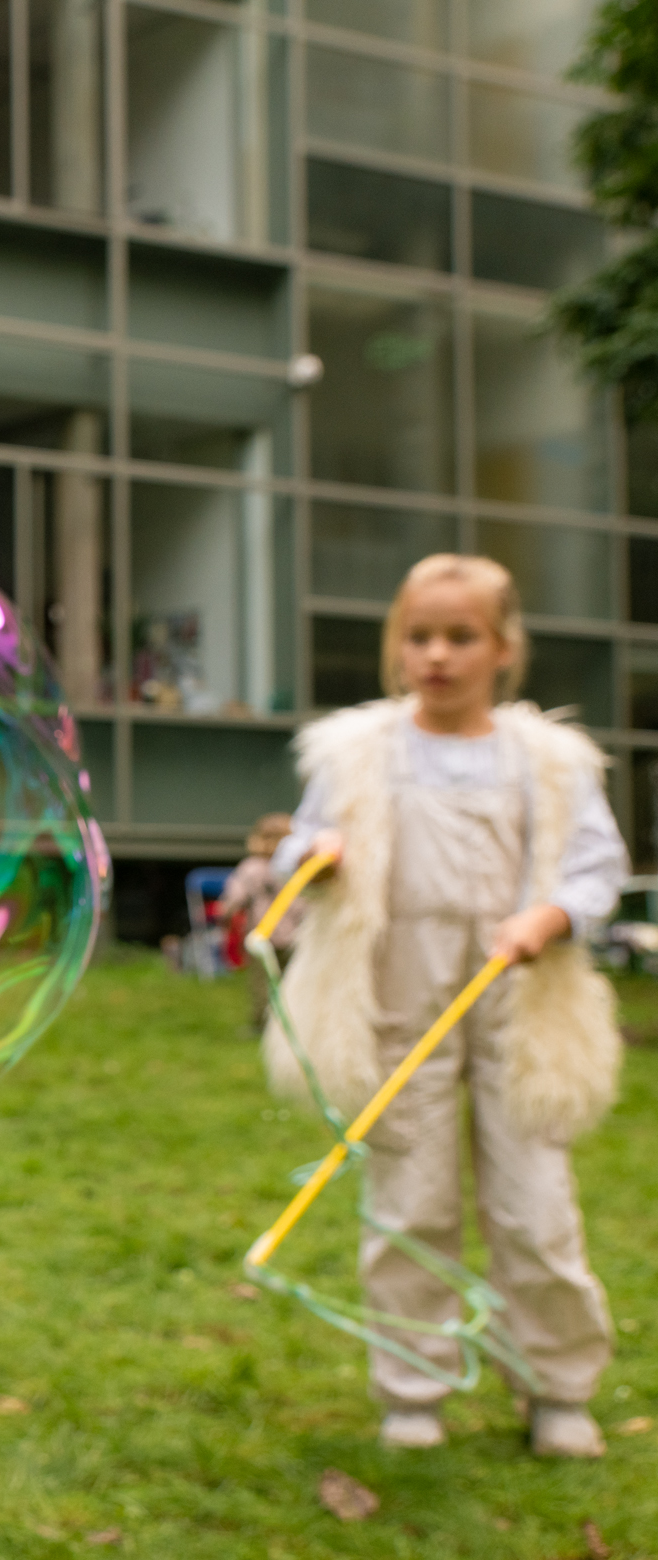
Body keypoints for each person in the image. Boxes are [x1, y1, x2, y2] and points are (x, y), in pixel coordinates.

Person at [266, 553, 625, 1459]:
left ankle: (557, 1387)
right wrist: (318, 859)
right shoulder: (359, 753)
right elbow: (299, 844)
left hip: (519, 1001)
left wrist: (550, 916)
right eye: (419, 636)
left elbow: (595, 866)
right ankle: (412, 1386)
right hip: (399, 1000)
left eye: (461, 637)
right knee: (408, 1203)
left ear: (503, 648)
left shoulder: (549, 762)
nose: (437, 655)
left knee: (536, 1209)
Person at [218, 811, 294, 1033]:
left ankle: (262, 1025)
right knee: (292, 980)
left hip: (262, 936)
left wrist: (225, 913)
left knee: (261, 983)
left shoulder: (251, 867)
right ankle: (290, 1023)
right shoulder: (294, 867)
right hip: (294, 935)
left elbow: (235, 898)